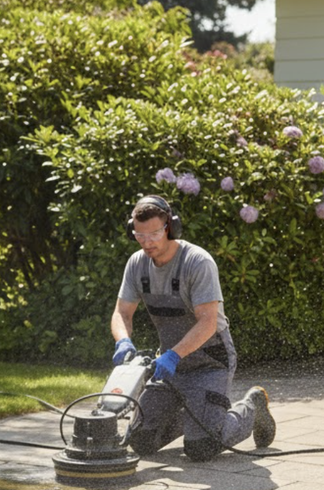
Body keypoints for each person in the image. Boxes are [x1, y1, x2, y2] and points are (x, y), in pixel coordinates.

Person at [110, 195, 276, 462]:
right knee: (140, 441)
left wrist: (175, 354)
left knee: (202, 447)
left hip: (210, 362)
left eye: (154, 233)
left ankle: (251, 408)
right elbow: (122, 312)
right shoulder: (137, 263)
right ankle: (196, 418)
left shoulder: (197, 262)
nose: (147, 242)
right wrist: (123, 341)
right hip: (168, 365)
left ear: (170, 227)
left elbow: (208, 322)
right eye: (140, 235)